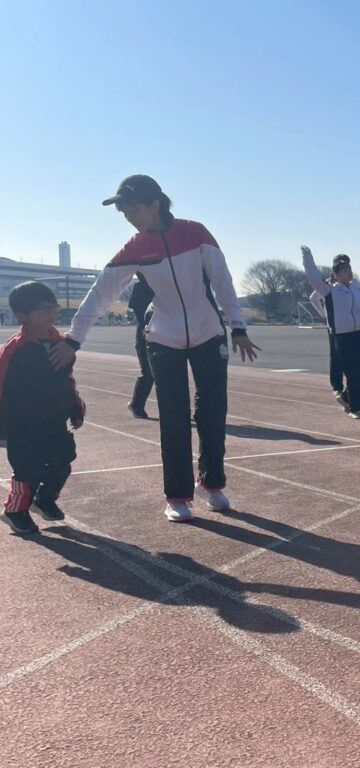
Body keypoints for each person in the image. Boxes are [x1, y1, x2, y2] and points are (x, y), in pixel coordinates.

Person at [48, 174, 261, 523]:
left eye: (133, 210)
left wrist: (238, 326)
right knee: (173, 416)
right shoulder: (135, 247)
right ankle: (177, 495)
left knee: (212, 412)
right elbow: (101, 292)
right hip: (163, 337)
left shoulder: (196, 233)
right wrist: (74, 339)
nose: (129, 218)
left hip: (209, 334)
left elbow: (222, 280)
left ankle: (212, 484)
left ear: (155, 204)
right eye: (124, 213)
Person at [1, 282, 85, 534]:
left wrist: (75, 407)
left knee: (64, 458)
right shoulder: (15, 350)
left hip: (55, 418)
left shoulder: (61, 343)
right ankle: (15, 510)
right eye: (42, 309)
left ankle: (44, 499)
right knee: (28, 469)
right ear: (22, 315)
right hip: (23, 423)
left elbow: (67, 379)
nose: (50, 313)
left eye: (53, 307)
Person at [300, 246, 360, 418]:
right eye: (344, 269)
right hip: (342, 335)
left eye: (349, 268)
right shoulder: (329, 289)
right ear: (336, 274)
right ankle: (355, 408)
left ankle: (346, 396)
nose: (348, 272)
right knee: (351, 371)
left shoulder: (358, 288)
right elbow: (313, 275)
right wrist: (307, 256)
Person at [127, 273, 155, 418]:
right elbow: (138, 311)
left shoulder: (163, 284)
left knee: (169, 373)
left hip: (164, 334)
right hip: (145, 334)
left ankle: (174, 406)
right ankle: (136, 404)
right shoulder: (139, 287)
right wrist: (146, 328)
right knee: (148, 373)